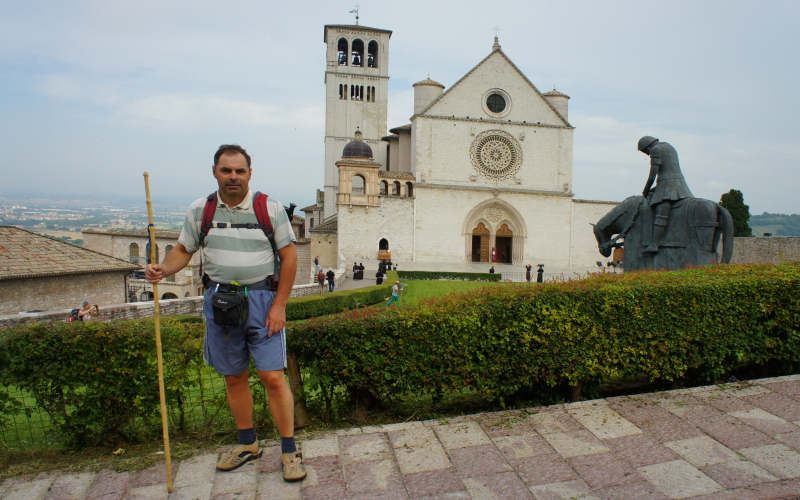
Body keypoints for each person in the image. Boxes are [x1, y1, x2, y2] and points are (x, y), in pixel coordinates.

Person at [145, 144, 305, 481]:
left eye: (239, 171)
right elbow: (183, 249)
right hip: (220, 301)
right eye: (226, 170)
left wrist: (279, 306)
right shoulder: (200, 211)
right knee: (234, 377)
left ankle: (289, 449)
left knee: (273, 377)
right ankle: (248, 444)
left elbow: (290, 258)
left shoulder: (269, 209)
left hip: (262, 300)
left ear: (249, 173)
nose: (233, 177)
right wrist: (163, 269)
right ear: (215, 172)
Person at [638, 136, 693, 254]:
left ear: (647, 147)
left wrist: (645, 191)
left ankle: (654, 244)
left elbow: (652, 175)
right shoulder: (669, 146)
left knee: (661, 211)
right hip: (679, 184)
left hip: (668, 185)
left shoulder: (655, 150)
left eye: (645, 152)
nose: (647, 154)